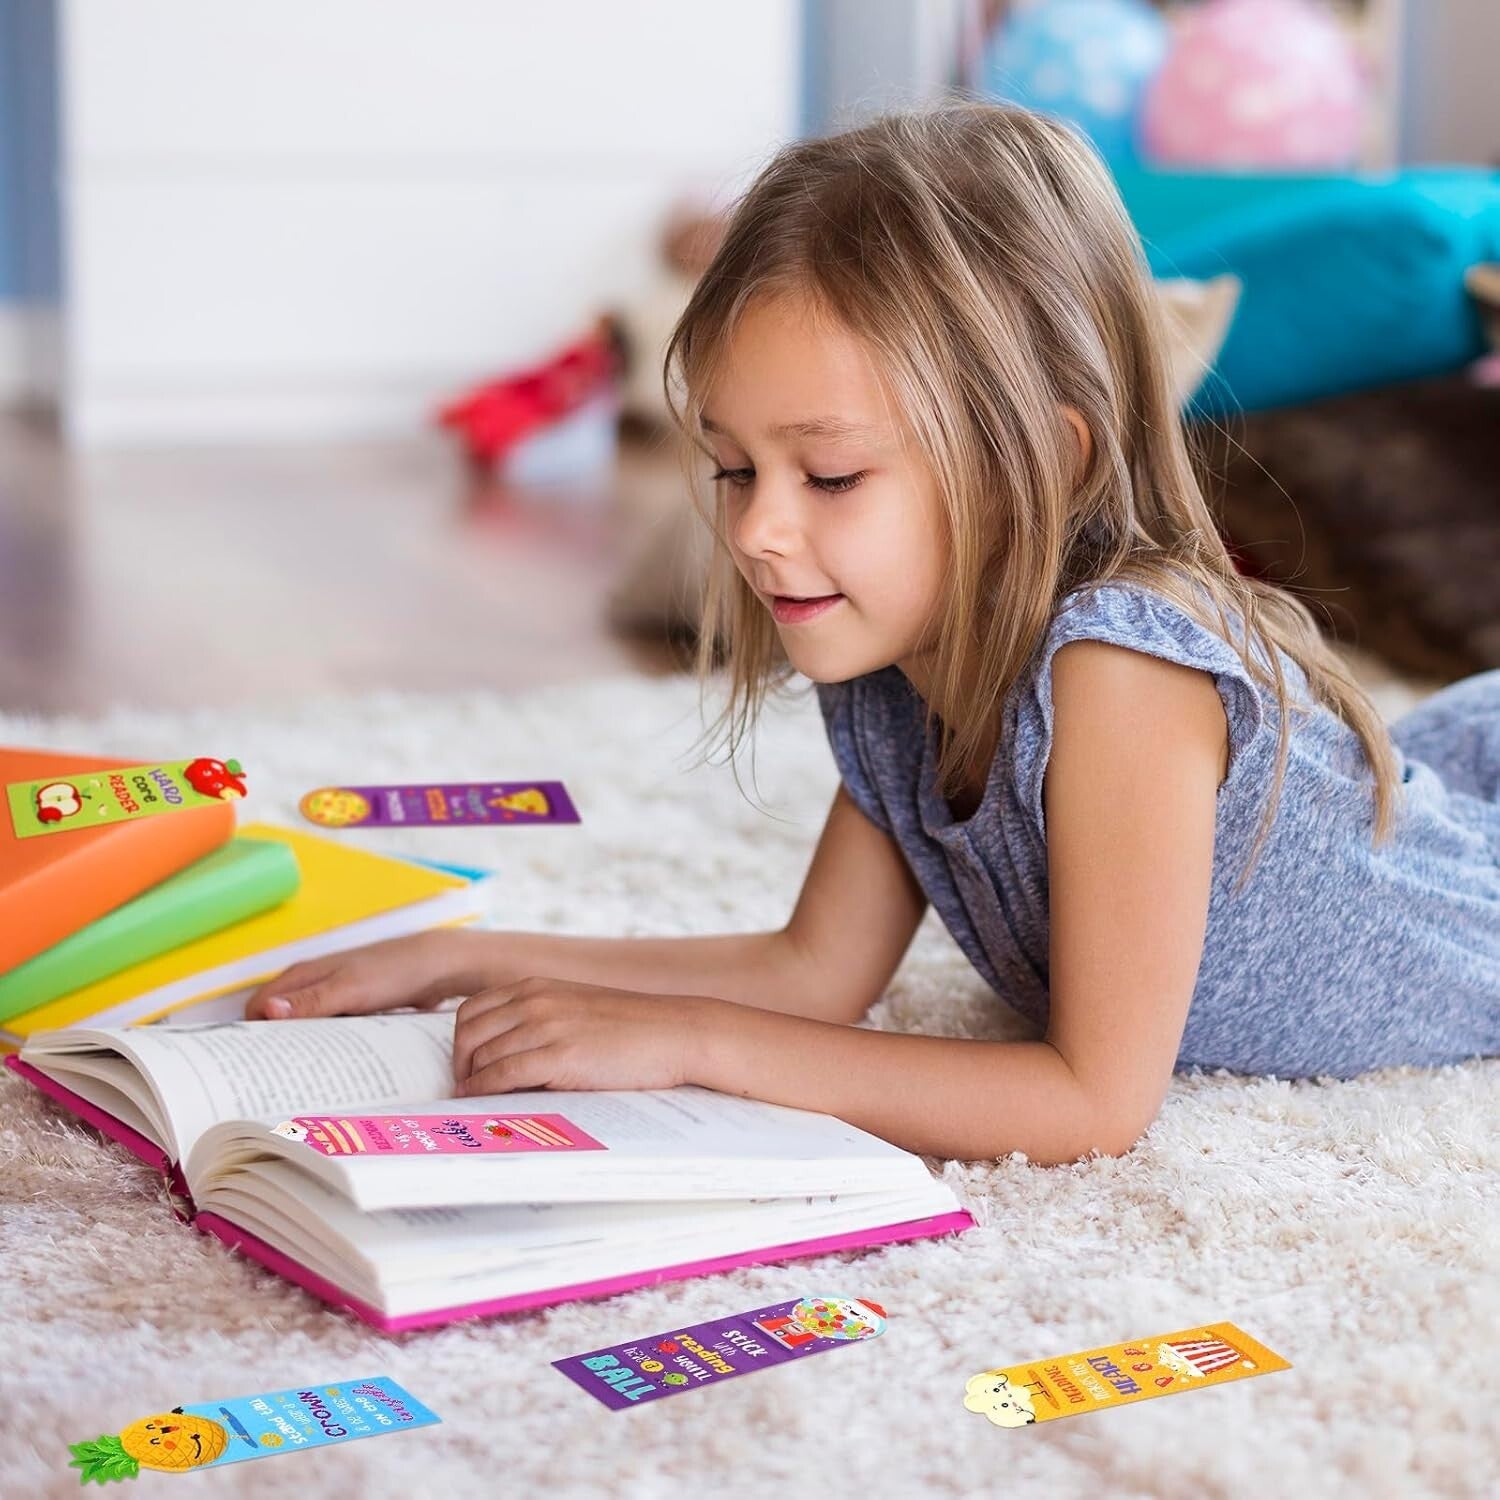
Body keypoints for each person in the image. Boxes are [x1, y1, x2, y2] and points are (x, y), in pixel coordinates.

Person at [245, 105, 1499, 1164]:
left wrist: (694, 1045)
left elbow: (1091, 1102)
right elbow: (811, 973)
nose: (756, 532)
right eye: (735, 468)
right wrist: (459, 960)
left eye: (831, 476)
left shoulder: (1123, 670)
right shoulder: (898, 665)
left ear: (1045, 464)